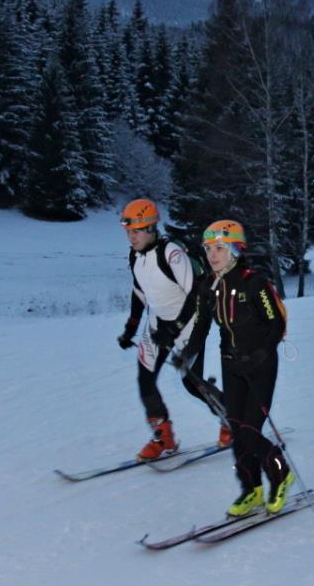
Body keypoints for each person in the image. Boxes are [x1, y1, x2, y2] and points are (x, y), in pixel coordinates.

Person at [177, 220, 293, 517]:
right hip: (230, 364)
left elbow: (276, 324)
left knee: (251, 431)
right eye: (208, 249)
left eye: (219, 248)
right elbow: (201, 326)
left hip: (260, 364)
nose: (212, 255)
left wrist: (258, 355)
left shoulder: (254, 282)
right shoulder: (208, 286)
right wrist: (187, 354)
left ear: (235, 250)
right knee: (237, 431)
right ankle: (251, 489)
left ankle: (281, 473)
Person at [117, 199, 224, 461]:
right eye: (128, 231)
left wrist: (174, 330)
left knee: (192, 383)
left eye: (136, 231)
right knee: (145, 379)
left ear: (151, 228)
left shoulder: (171, 254)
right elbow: (139, 293)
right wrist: (131, 328)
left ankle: (233, 419)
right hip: (158, 323)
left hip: (189, 324)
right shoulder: (135, 256)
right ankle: (163, 437)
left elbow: (196, 297)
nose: (131, 237)